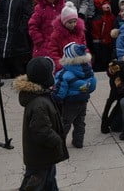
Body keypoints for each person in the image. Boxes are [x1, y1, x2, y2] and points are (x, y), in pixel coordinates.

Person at [14, 56, 68, 191]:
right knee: (34, 184)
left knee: (49, 181)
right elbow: (41, 131)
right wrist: (57, 141)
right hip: (40, 157)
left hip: (45, 155)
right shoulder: (39, 103)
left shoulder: (42, 96)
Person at [52, 43, 96, 149]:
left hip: (70, 103)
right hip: (83, 101)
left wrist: (55, 98)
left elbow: (60, 91)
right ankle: (78, 142)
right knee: (80, 122)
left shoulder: (64, 74)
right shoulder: (88, 71)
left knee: (65, 123)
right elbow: (92, 85)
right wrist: (84, 90)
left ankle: (59, 144)